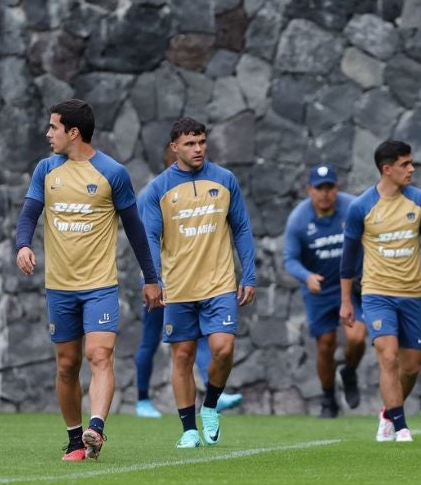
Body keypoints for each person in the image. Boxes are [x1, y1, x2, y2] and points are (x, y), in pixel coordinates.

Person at [14, 99, 161, 461]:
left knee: (100, 355)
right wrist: (22, 246)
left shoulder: (112, 173)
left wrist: (151, 278)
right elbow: (28, 215)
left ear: (73, 132)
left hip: (100, 286)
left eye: (54, 127)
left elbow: (135, 230)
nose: (48, 134)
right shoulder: (46, 170)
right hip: (59, 288)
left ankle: (96, 427)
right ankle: (76, 440)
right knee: (66, 366)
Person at [141, 117, 256, 448]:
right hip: (178, 287)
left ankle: (210, 406)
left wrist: (248, 273)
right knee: (183, 356)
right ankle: (189, 430)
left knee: (223, 348)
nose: (198, 149)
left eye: (202, 142)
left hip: (219, 283)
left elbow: (242, 229)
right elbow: (149, 236)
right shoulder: (159, 189)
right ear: (174, 147)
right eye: (190, 144)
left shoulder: (225, 180)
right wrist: (152, 280)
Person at [340, 140, 421, 443]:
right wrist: (346, 301)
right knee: (388, 356)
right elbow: (347, 259)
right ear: (387, 169)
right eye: (405, 164)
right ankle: (400, 426)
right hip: (376, 294)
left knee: (410, 367)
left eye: (412, 163)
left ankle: (388, 411)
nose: (412, 169)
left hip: (411, 295)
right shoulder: (361, 207)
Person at [134, 145, 242, 418]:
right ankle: (142, 399)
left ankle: (212, 390)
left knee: (204, 340)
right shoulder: (154, 192)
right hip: (159, 281)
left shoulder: (207, 186)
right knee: (151, 340)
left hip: (193, 281)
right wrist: (153, 278)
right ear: (172, 158)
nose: (198, 157)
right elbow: (144, 238)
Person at [284, 164, 367, 418]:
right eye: (319, 188)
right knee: (325, 344)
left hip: (352, 287)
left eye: (329, 187)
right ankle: (328, 397)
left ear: (336, 188)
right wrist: (305, 275)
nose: (324, 193)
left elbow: (374, 233)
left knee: (356, 338)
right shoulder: (299, 219)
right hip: (320, 291)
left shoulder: (353, 207)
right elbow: (289, 259)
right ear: (309, 190)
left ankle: (349, 372)